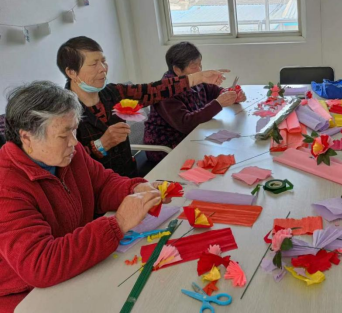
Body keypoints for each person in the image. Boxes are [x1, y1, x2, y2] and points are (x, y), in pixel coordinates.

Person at [0, 81, 171, 312]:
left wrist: (135, 189)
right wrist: (118, 223)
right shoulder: (6, 188)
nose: (74, 141)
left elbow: (102, 184)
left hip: (74, 266)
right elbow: (40, 265)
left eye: (74, 130)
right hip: (26, 296)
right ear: (27, 138)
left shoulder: (70, 152)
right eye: (64, 134)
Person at [56, 36, 228, 177]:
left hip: (128, 176)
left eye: (103, 61)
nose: (103, 69)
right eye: (94, 64)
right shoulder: (62, 112)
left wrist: (199, 77)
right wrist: (101, 145)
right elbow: (65, 164)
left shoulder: (113, 92)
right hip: (97, 190)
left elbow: (154, 90)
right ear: (71, 72)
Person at [144, 42, 246, 163]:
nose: (199, 70)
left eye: (200, 65)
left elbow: (213, 91)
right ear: (177, 70)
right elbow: (186, 124)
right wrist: (218, 104)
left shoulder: (194, 79)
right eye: (194, 66)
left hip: (192, 136)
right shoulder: (166, 90)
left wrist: (230, 95)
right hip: (168, 147)